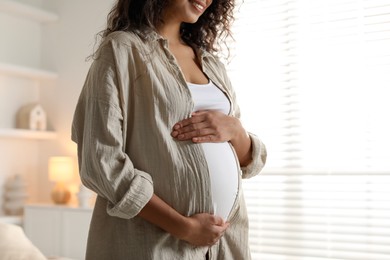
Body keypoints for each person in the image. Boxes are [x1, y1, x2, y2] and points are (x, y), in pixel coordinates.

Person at [71, 0, 267, 259]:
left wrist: (237, 132)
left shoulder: (211, 63)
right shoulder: (123, 50)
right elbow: (100, 162)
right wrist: (184, 228)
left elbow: (246, 162)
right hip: (153, 244)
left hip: (224, 245)